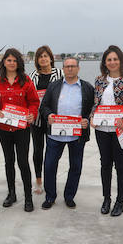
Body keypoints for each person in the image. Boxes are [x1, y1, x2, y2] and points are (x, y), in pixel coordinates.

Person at [39, 57, 93, 209]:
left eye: (73, 66)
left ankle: (69, 196)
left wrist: (87, 120)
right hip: (55, 135)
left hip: (76, 136)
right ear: (63, 68)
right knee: (49, 166)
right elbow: (44, 107)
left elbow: (91, 110)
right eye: (67, 66)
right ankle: (50, 196)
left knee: (75, 167)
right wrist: (48, 115)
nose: (70, 69)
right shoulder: (54, 86)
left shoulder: (87, 87)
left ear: (78, 68)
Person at [90, 45, 123, 217]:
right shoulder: (99, 80)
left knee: (121, 165)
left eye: (115, 59)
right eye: (109, 59)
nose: (112, 62)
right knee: (105, 164)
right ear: (105, 62)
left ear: (121, 60)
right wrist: (92, 116)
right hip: (102, 129)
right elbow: (96, 103)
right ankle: (106, 198)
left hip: (121, 129)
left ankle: (120, 200)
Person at [0, 48, 41, 212]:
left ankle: (28, 197)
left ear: (18, 63)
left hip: (22, 129)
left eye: (14, 60)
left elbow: (34, 102)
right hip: (4, 129)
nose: (11, 63)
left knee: (22, 162)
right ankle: (11, 194)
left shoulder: (27, 81)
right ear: (4, 62)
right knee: (9, 161)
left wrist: (31, 114)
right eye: (8, 60)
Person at [29, 45, 63, 197]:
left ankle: (51, 182)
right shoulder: (32, 76)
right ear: (37, 60)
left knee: (52, 153)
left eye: (45, 56)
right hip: (36, 120)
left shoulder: (60, 74)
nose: (43, 59)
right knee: (37, 151)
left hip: (53, 120)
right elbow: (29, 97)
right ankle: (38, 181)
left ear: (51, 58)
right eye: (40, 56)